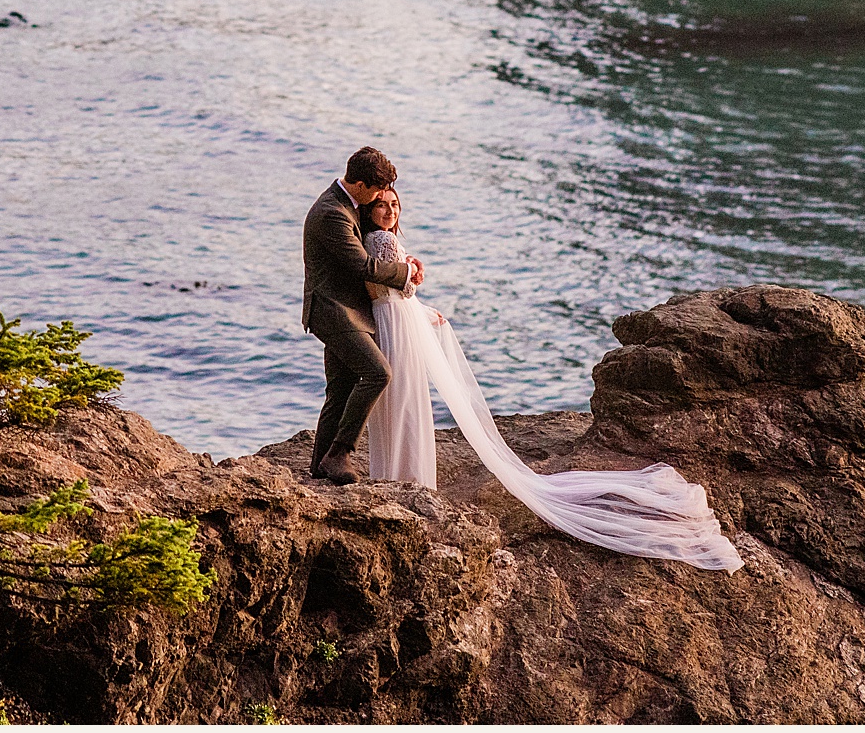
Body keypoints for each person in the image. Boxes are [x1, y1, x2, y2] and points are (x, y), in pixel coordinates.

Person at [348, 181, 742, 572]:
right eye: (382, 205)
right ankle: (408, 480)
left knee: (399, 406)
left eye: (396, 204)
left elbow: (392, 295)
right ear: (370, 209)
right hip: (396, 326)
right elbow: (392, 292)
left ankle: (396, 477)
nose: (390, 211)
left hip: (393, 325)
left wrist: (418, 299)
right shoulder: (382, 241)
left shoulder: (374, 240)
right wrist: (414, 284)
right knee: (406, 406)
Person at [300, 146, 420, 484]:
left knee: (340, 388)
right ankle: (340, 453)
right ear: (362, 185)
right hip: (334, 310)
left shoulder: (346, 204)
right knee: (378, 373)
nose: (381, 197)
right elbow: (362, 265)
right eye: (378, 191)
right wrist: (405, 272)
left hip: (344, 309)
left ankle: (320, 465)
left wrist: (403, 264)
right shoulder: (332, 212)